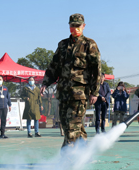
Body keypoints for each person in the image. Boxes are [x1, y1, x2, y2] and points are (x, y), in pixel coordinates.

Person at [41, 13, 101, 148]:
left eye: (78, 26)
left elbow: (96, 70)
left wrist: (94, 92)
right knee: (71, 126)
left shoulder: (89, 44)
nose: (75, 28)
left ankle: (66, 159)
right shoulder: (62, 45)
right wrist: (46, 82)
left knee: (72, 127)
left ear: (84, 26)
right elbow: (54, 66)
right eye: (72, 26)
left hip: (79, 94)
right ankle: (84, 154)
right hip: (63, 93)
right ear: (69, 26)